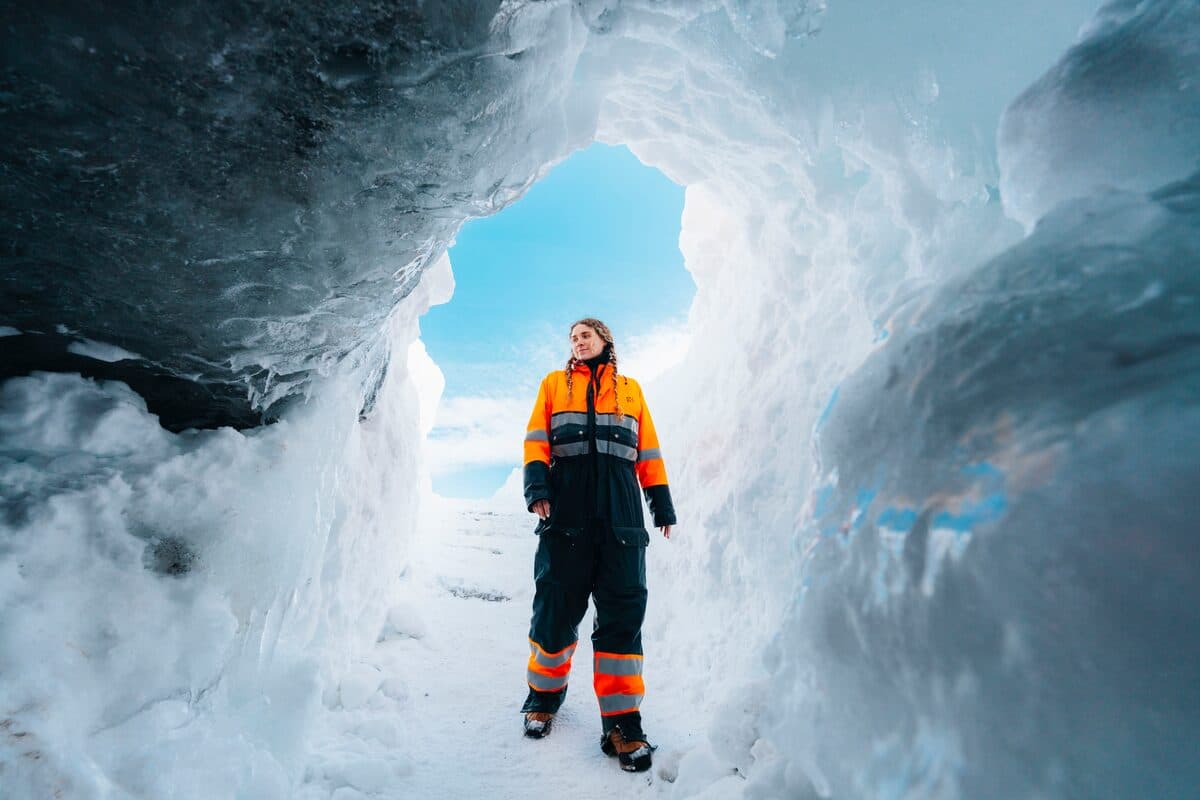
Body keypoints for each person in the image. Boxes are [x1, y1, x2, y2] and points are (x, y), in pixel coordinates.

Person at [519, 317, 677, 773]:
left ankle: (623, 722)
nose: (578, 341)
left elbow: (648, 451)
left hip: (622, 518)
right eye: (572, 336)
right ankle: (543, 696)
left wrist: (661, 504)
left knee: (623, 617)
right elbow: (535, 441)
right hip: (566, 515)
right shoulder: (553, 385)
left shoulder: (631, 390)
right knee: (554, 609)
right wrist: (537, 489)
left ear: (605, 340)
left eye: (586, 334)